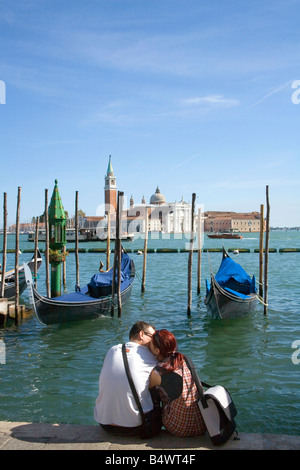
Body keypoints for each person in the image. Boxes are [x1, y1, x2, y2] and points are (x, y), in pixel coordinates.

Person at [94, 321, 158, 436]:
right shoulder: (149, 355)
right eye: (152, 337)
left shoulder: (112, 350)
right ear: (141, 334)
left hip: (104, 424)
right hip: (136, 426)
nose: (154, 341)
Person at [149, 329, 206, 437]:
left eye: (150, 346)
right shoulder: (184, 359)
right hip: (201, 424)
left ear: (157, 350)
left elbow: (147, 389)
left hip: (180, 428)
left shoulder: (158, 371)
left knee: (153, 394)